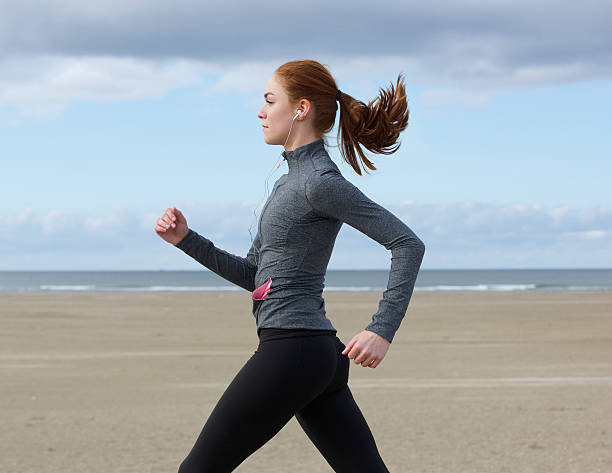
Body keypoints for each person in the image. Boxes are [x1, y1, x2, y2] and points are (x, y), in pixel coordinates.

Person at [155, 59, 426, 473]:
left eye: (269, 100)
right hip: (315, 354)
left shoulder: (319, 181)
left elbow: (407, 243)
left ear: (300, 109)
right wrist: (187, 241)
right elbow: (255, 276)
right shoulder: (289, 181)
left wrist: (381, 328)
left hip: (294, 350)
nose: (260, 112)